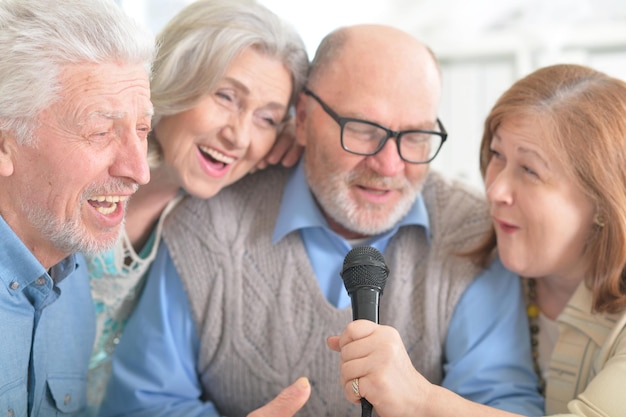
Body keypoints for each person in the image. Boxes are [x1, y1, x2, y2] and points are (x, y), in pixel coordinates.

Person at [100, 24, 544, 417]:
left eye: (415, 136)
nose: (389, 165)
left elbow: (501, 404)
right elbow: (143, 403)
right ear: (305, 120)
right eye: (364, 130)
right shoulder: (207, 221)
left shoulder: (473, 233)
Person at [329, 63, 626, 417]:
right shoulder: (485, 264)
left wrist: (420, 400)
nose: (495, 189)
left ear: (604, 201)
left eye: (530, 170)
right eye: (497, 155)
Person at [84, 0, 309, 413]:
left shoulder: (202, 207)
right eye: (226, 96)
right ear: (176, 75)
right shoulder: (79, 171)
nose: (239, 136)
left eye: (267, 119)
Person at [0, 0, 154, 415]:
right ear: (3, 144)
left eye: (142, 130)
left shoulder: (73, 274)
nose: (139, 171)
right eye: (101, 131)